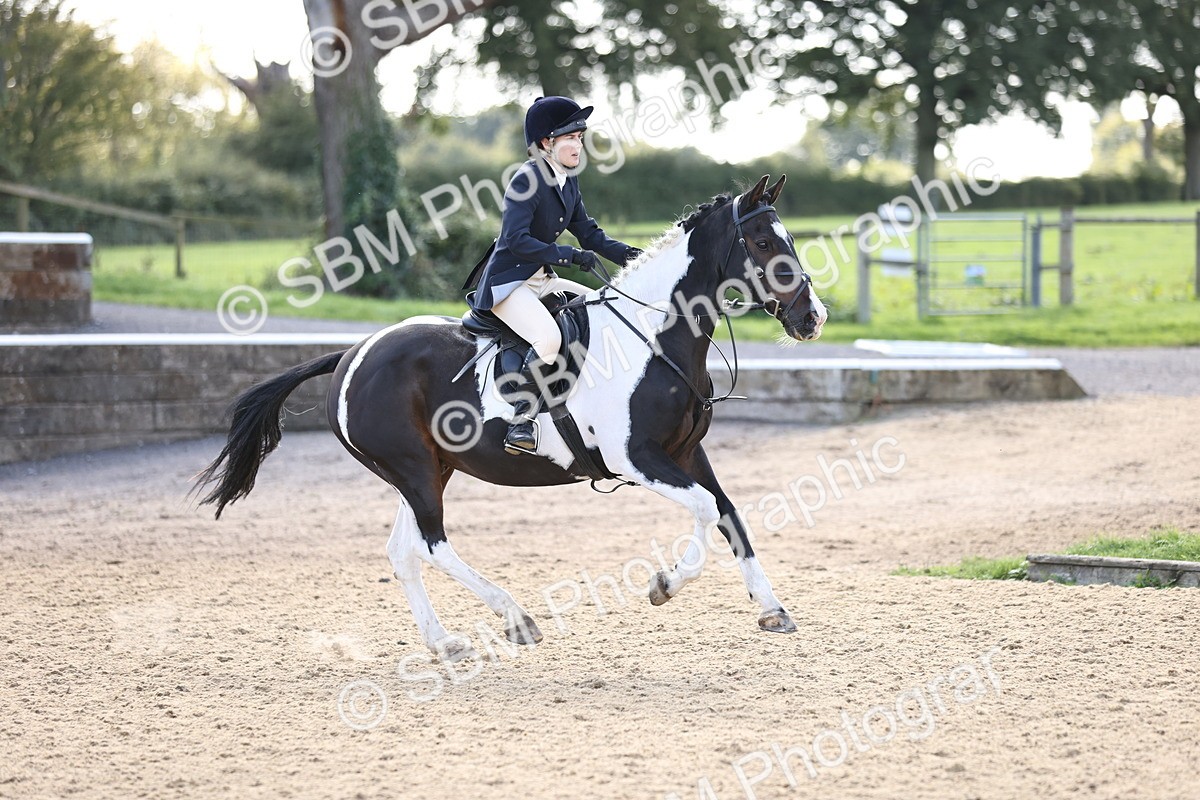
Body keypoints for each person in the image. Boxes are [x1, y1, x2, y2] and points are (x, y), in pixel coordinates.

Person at [468, 96, 642, 455]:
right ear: (547, 143)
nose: (579, 145)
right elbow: (516, 240)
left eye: (581, 137)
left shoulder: (568, 182)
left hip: (540, 277)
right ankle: (521, 419)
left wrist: (635, 257)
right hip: (509, 283)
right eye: (571, 138)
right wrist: (567, 255)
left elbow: (591, 235)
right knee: (548, 339)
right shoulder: (526, 180)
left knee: (602, 310)